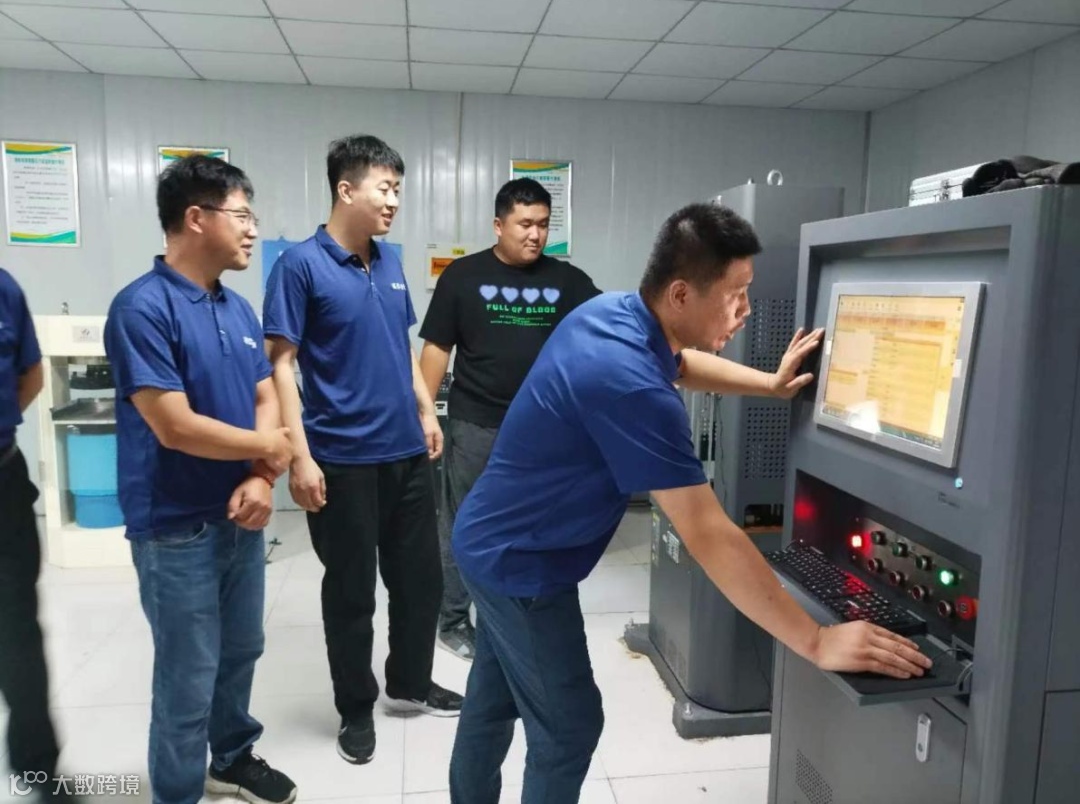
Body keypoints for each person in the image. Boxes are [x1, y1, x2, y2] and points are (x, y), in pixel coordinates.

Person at [447, 203, 934, 803]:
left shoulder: (613, 314)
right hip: (520, 565)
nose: (746, 309)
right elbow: (708, 532)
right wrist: (815, 640)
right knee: (569, 728)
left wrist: (769, 385)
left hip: (491, 537)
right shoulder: (631, 386)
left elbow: (677, 364)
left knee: (493, 702)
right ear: (681, 293)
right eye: (734, 294)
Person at [263, 135, 463, 767]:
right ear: (346, 189)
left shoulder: (390, 260)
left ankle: (410, 684)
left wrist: (425, 411)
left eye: (398, 190)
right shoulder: (300, 266)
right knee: (351, 593)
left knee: (422, 583)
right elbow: (281, 364)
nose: (394, 201)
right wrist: (300, 456)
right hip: (342, 459)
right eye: (385, 188)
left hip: (405, 454)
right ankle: (355, 707)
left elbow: (400, 348)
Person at [104, 155, 296, 804]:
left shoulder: (237, 309)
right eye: (242, 215)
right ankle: (178, 792)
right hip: (174, 527)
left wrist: (263, 477)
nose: (253, 230)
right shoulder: (142, 308)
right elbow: (173, 425)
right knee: (187, 678)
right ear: (196, 218)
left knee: (241, 651)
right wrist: (272, 447)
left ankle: (233, 758)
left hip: (241, 513)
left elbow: (264, 393)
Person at [419, 178, 600, 660]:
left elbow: (604, 330)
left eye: (543, 224)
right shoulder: (463, 276)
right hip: (476, 425)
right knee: (464, 524)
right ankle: (453, 620)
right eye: (524, 224)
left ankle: (513, 615)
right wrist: (424, 413)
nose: (535, 234)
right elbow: (437, 347)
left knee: (532, 525)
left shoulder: (568, 281)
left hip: (543, 431)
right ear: (498, 225)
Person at [0, 268, 72, 802]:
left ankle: (38, 768)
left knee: (18, 632)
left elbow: (31, 372)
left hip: (3, 478)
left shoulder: (4, 288)